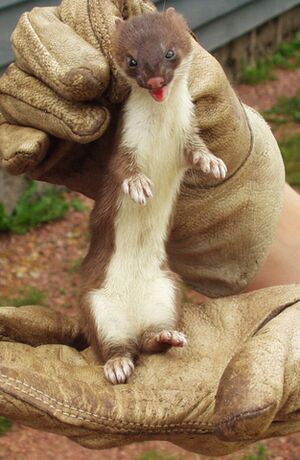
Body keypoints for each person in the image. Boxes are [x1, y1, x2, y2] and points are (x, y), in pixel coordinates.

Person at [0, 0, 299, 456]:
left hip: (154, 259)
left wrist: (206, 157)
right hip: (115, 261)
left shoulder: (181, 99)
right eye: (136, 67)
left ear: (183, 41)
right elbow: (127, 155)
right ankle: (117, 351)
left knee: (160, 293)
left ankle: (156, 336)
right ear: (121, 62)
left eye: (168, 61)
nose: (154, 79)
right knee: (104, 302)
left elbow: (187, 137)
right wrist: (132, 176)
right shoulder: (136, 109)